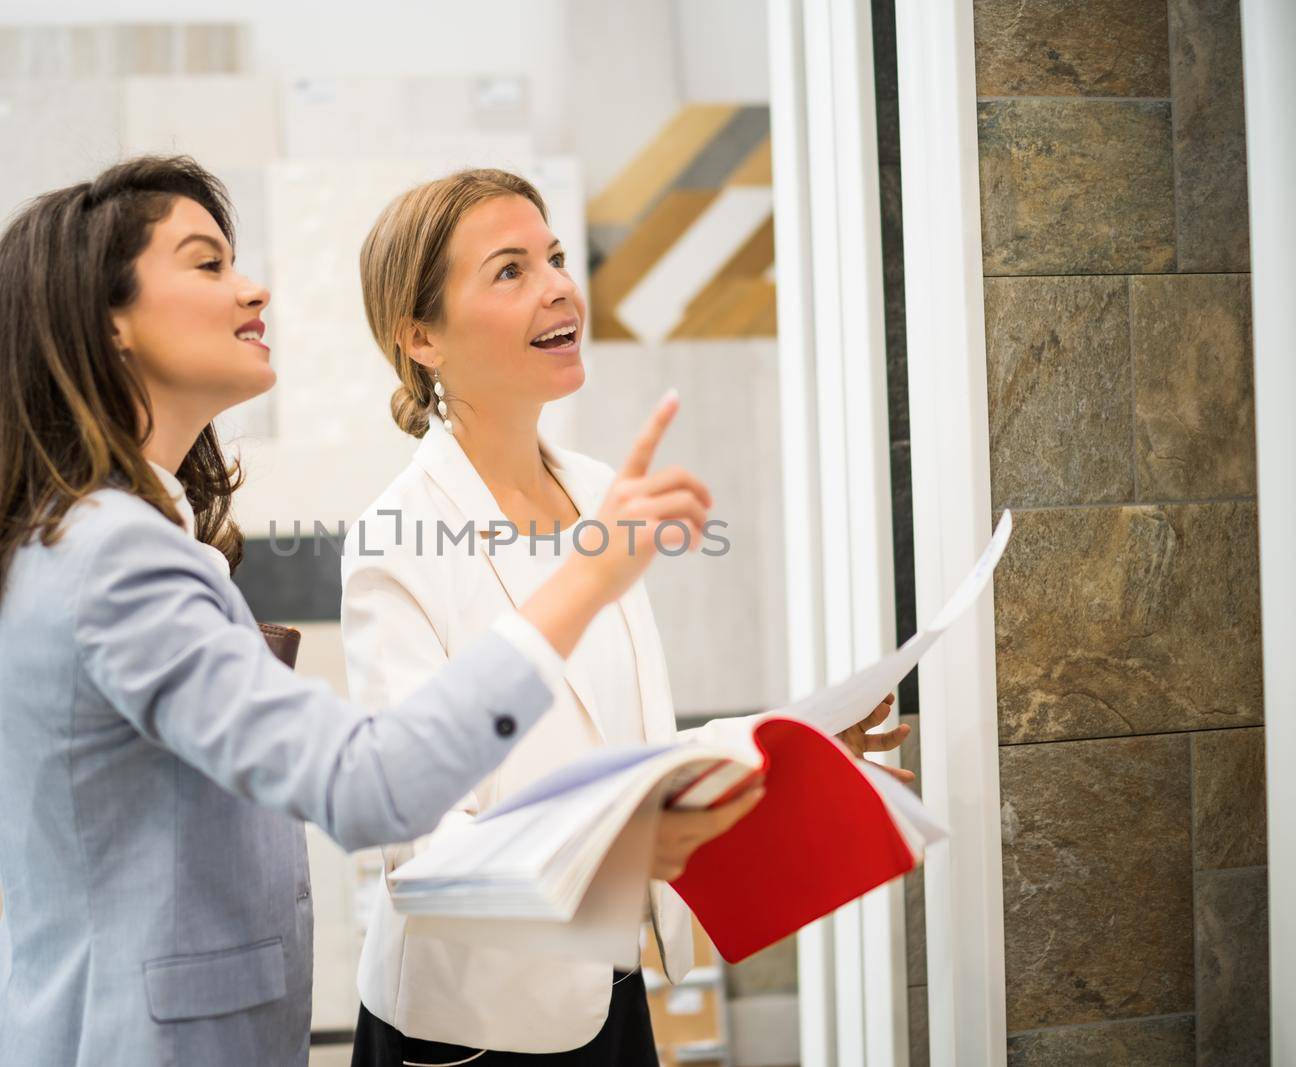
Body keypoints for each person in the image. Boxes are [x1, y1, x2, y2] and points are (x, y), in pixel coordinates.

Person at [0, 156, 715, 1067]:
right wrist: (587, 578)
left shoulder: (44, 538)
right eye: (208, 264)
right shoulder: (117, 557)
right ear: (112, 324)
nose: (253, 287)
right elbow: (371, 790)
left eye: (556, 257)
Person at [342, 168, 909, 1064]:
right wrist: (620, 851)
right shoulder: (394, 541)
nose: (560, 284)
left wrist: (795, 747)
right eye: (509, 269)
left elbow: (624, 752)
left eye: (556, 257)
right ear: (422, 336)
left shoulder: (602, 491)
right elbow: (422, 851)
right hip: (471, 1028)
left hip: (611, 995)